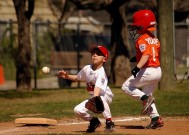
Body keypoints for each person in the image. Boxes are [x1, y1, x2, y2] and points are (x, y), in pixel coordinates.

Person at [122, 9, 164, 129]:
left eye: (137, 26)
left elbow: (146, 55)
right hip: (158, 71)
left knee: (126, 86)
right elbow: (151, 52)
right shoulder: (155, 39)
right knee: (147, 93)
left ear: (143, 25)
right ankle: (156, 119)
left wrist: (137, 67)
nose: (135, 29)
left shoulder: (141, 39)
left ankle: (146, 99)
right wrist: (137, 57)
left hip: (148, 71)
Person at [58, 45, 115, 133]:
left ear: (104, 59)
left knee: (101, 97)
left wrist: (95, 99)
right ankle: (94, 121)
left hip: (105, 95)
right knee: (77, 110)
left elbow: (97, 88)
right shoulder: (87, 68)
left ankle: (109, 122)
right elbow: (77, 78)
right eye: (93, 53)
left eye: (98, 54)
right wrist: (67, 76)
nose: (94, 55)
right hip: (94, 97)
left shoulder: (101, 73)